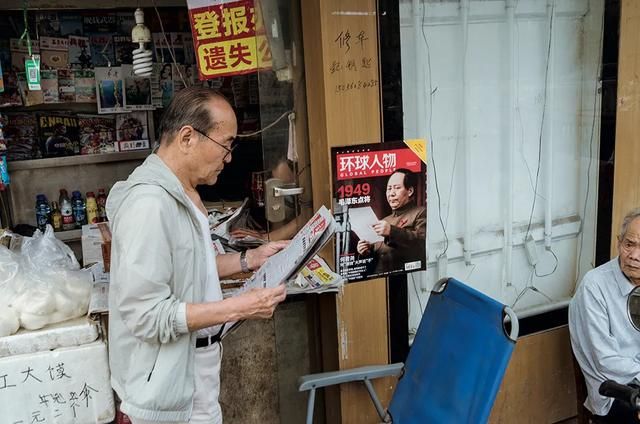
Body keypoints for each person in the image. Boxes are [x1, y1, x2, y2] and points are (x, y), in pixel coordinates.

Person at [106, 86, 288, 424]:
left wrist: (249, 260)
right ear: (187, 137)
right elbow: (147, 314)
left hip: (195, 368)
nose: (229, 157)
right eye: (225, 145)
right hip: (165, 388)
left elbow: (192, 268)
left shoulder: (183, 192)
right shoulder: (150, 205)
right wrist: (240, 306)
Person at [569, 208, 640, 423]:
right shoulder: (594, 286)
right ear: (618, 243)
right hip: (615, 391)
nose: (634, 256)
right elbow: (606, 362)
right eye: (629, 244)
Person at [356, 168, 426, 274]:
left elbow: (422, 242)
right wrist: (366, 250)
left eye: (397, 188)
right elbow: (378, 250)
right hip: (379, 279)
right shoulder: (384, 221)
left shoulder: (420, 212)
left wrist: (391, 231)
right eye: (389, 189)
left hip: (406, 276)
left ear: (410, 191)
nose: (391, 193)